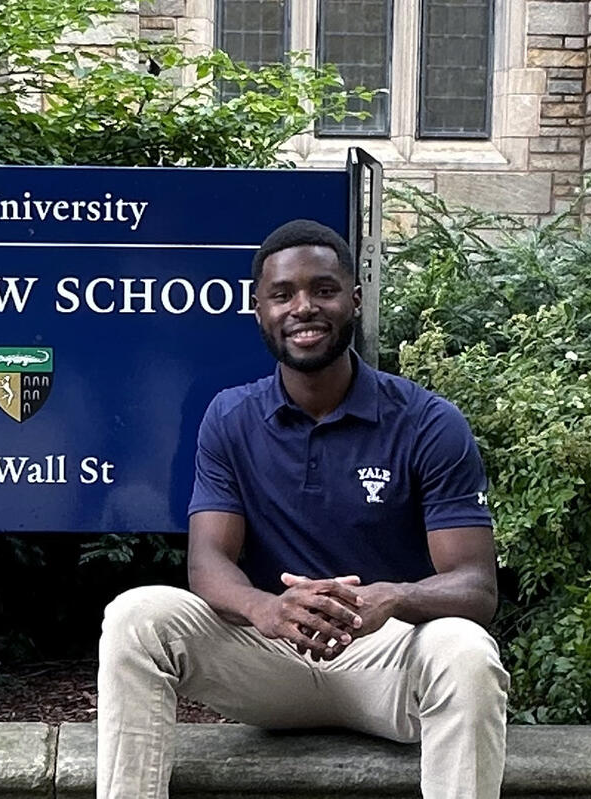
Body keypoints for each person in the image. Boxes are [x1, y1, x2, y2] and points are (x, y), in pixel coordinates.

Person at [97, 219, 509, 799]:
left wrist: (393, 596)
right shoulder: (230, 418)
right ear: (258, 309)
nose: (303, 308)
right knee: (137, 615)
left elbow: (476, 587)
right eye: (283, 294)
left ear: (355, 300)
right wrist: (269, 611)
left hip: (387, 661)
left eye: (324, 289)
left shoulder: (427, 422)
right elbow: (208, 563)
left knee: (466, 653)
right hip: (269, 658)